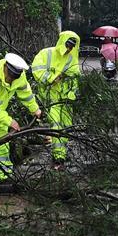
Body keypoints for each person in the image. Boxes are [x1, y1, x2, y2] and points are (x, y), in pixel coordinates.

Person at [32, 31, 81, 164]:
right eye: (68, 45)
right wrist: (52, 78)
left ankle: (62, 152)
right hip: (50, 97)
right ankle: (58, 156)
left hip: (66, 99)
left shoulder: (71, 59)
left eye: (72, 46)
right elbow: (36, 70)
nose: (69, 48)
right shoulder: (46, 53)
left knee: (66, 125)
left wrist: (72, 94)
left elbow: (75, 78)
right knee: (56, 124)